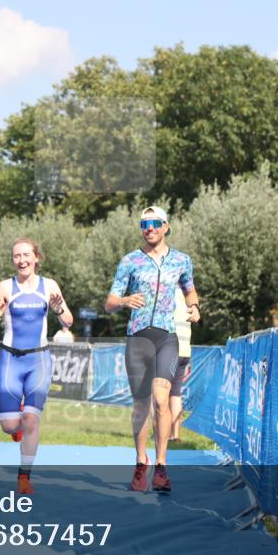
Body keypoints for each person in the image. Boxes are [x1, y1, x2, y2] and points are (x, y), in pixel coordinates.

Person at [104, 206, 200, 493]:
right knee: (141, 405)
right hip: (137, 339)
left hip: (167, 339)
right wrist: (123, 301)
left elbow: (190, 289)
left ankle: (160, 467)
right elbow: (109, 302)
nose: (150, 228)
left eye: (155, 223)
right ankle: (140, 462)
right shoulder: (130, 261)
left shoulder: (182, 260)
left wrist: (194, 306)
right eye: (145, 224)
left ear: (166, 226)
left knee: (161, 400)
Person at [0, 238, 72, 494]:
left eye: (26, 255)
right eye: (16, 256)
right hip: (10, 360)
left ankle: (24, 476)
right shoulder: (5, 286)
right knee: (10, 426)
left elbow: (68, 320)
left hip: (39, 360)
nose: (21, 260)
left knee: (32, 420)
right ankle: (17, 425)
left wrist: (59, 310)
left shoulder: (49, 286)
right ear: (13, 260)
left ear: (36, 257)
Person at [169, 289, 193, 443]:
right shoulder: (188, 296)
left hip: (169, 349)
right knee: (176, 394)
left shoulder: (168, 292)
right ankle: (175, 435)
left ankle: (161, 432)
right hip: (185, 350)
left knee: (161, 393)